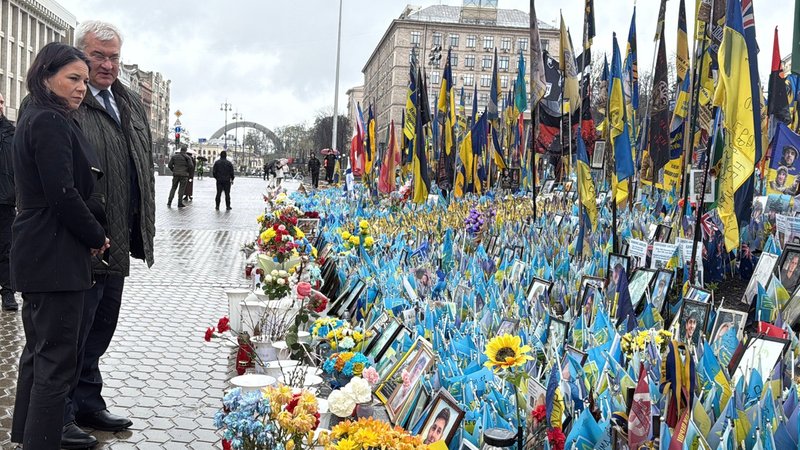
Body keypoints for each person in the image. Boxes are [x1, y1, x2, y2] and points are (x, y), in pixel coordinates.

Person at [10, 42, 110, 450]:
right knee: (55, 364)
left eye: (85, 80)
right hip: (54, 252)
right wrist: (96, 236)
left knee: (39, 354)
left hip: (40, 248)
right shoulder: (48, 120)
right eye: (73, 78)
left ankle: (25, 436)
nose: (82, 88)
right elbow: (62, 194)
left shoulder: (37, 114)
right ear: (46, 75)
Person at [68, 20, 156, 444]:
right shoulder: (68, 99)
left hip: (116, 237)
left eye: (113, 56)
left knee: (101, 328)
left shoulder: (129, 102)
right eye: (98, 55)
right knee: (73, 331)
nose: (107, 64)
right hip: (80, 242)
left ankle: (88, 402)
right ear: (79, 55)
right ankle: (62, 413)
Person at [0, 93, 17, 311]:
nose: (0, 106)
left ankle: (8, 292)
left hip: (6, 199)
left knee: (7, 248)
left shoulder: (12, 132)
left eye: (2, 101)